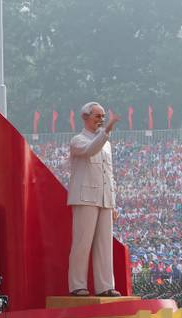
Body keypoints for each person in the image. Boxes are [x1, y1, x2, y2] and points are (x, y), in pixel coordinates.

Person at [67, 101, 121, 297]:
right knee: (82, 243)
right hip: (85, 198)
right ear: (85, 117)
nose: (101, 120)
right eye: (97, 116)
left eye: (103, 117)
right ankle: (77, 285)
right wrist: (106, 130)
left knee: (104, 245)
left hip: (104, 198)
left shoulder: (106, 144)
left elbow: (110, 174)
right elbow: (90, 149)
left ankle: (105, 286)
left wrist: (113, 203)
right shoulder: (78, 140)